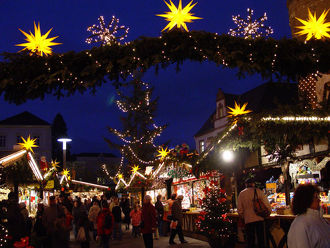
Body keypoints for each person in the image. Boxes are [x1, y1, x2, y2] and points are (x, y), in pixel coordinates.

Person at [237, 178, 271, 248]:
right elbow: (267, 205)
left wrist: (243, 216)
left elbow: (239, 209)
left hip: (248, 220)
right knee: (261, 239)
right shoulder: (259, 191)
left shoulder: (242, 194)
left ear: (246, 184)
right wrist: (268, 213)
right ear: (253, 184)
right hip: (259, 219)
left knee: (250, 240)